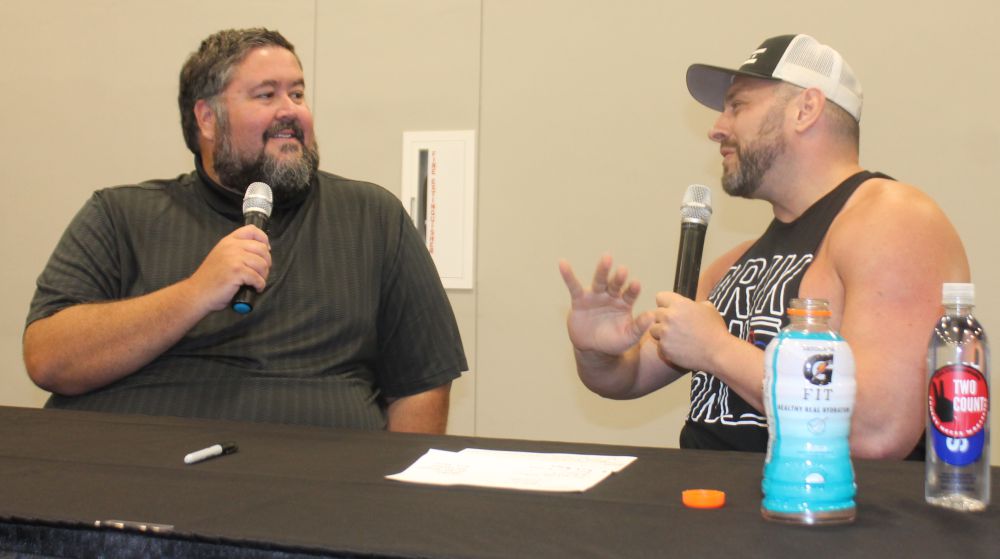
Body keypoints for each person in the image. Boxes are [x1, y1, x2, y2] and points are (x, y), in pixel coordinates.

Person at [23, 28, 467, 434]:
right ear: (207, 119)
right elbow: (47, 358)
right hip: (129, 490)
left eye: (297, 93)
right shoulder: (119, 215)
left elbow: (422, 382)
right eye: (266, 95)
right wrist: (195, 293)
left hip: (315, 498)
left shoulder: (372, 218)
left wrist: (394, 496)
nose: (291, 111)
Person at [559, 34, 969, 459]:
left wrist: (717, 350)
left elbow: (876, 430)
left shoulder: (894, 220)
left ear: (806, 109)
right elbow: (625, 379)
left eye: (738, 106)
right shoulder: (730, 265)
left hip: (813, 516)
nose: (717, 128)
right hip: (703, 513)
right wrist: (595, 351)